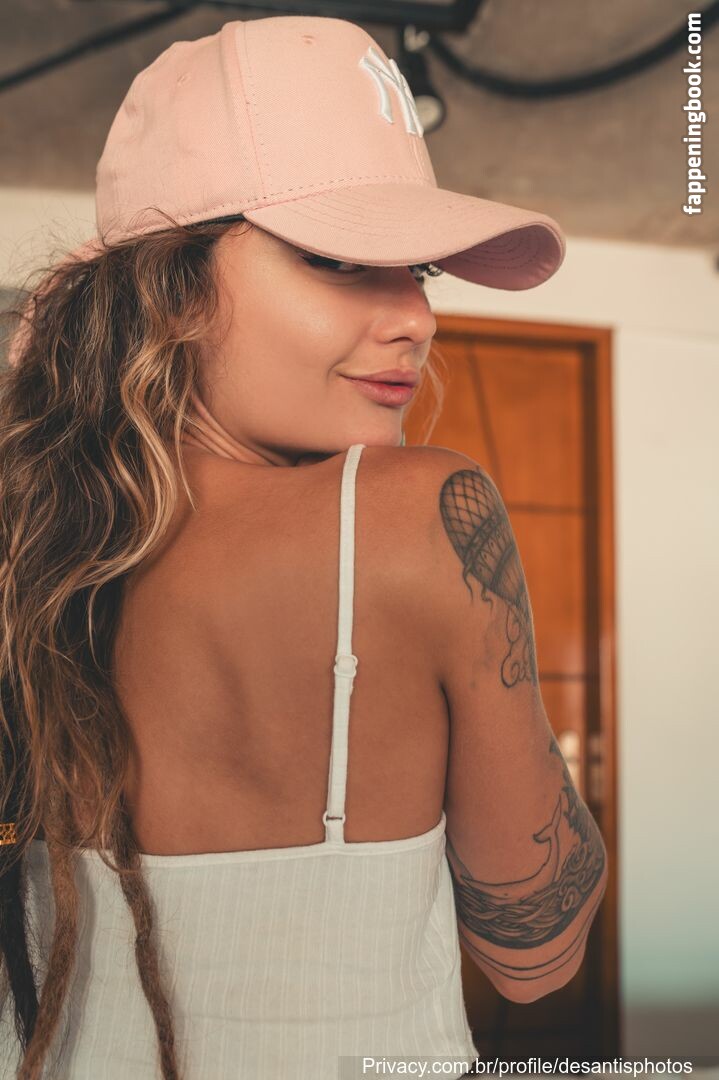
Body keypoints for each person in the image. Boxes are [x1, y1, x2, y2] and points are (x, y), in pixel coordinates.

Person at [0, 14, 608, 1080]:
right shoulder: (419, 514)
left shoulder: (28, 554)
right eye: (336, 257)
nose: (415, 319)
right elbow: (535, 954)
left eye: (419, 269)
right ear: (168, 288)